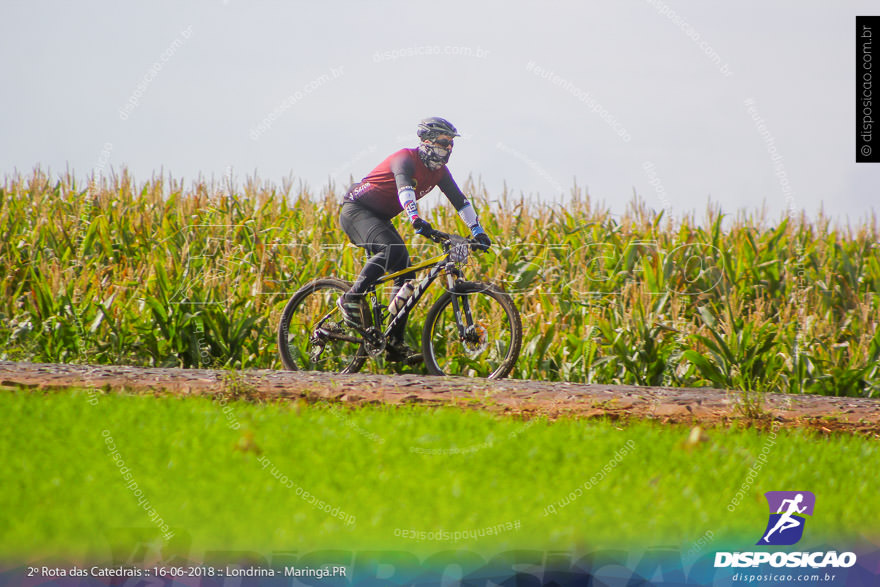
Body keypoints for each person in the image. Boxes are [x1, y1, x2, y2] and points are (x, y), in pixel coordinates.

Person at [337, 117, 491, 362]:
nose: (449, 148)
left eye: (452, 144)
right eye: (444, 142)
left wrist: (478, 231)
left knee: (406, 275)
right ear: (427, 141)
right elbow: (404, 189)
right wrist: (415, 219)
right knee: (391, 250)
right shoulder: (405, 158)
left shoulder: (440, 172)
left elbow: (460, 201)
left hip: (381, 217)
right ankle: (351, 298)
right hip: (357, 211)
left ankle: (394, 342)